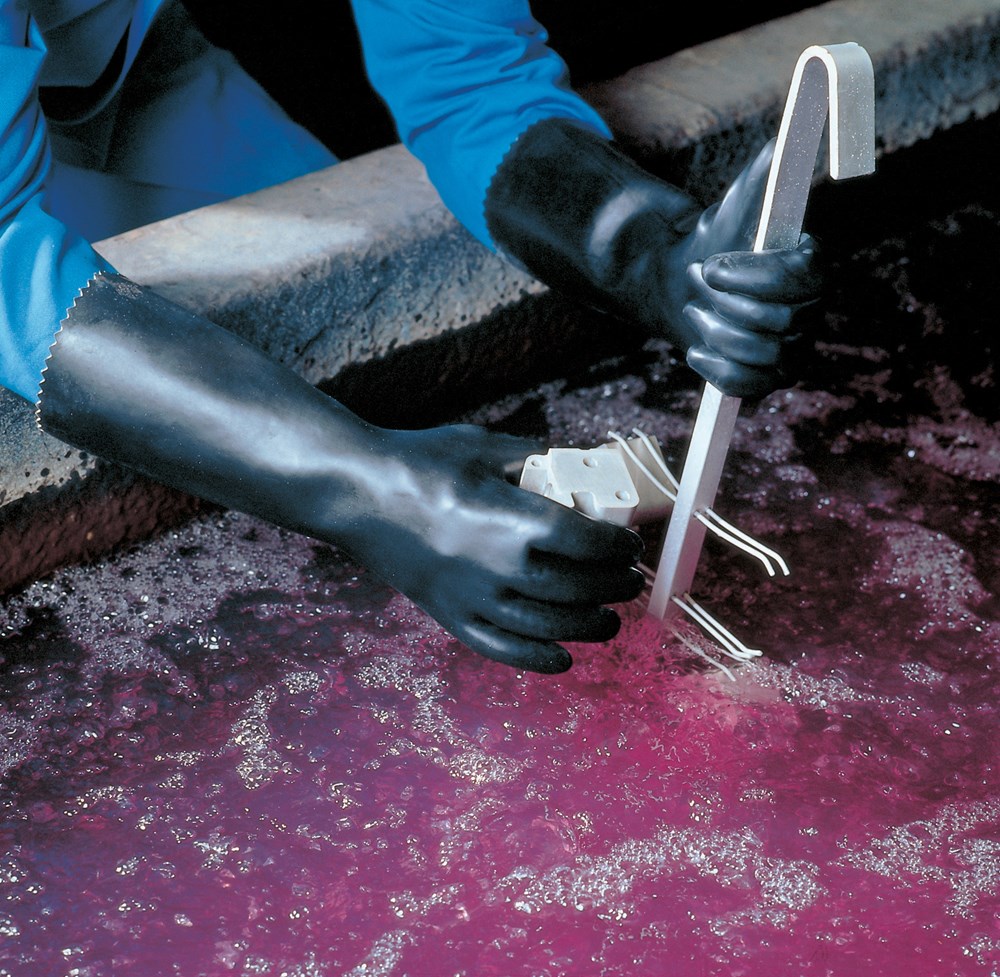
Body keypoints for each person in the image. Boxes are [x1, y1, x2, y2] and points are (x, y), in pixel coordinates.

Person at [0, 0, 820, 674]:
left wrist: (643, 250)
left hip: (123, 52)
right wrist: (364, 487)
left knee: (317, 360)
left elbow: (466, 70)